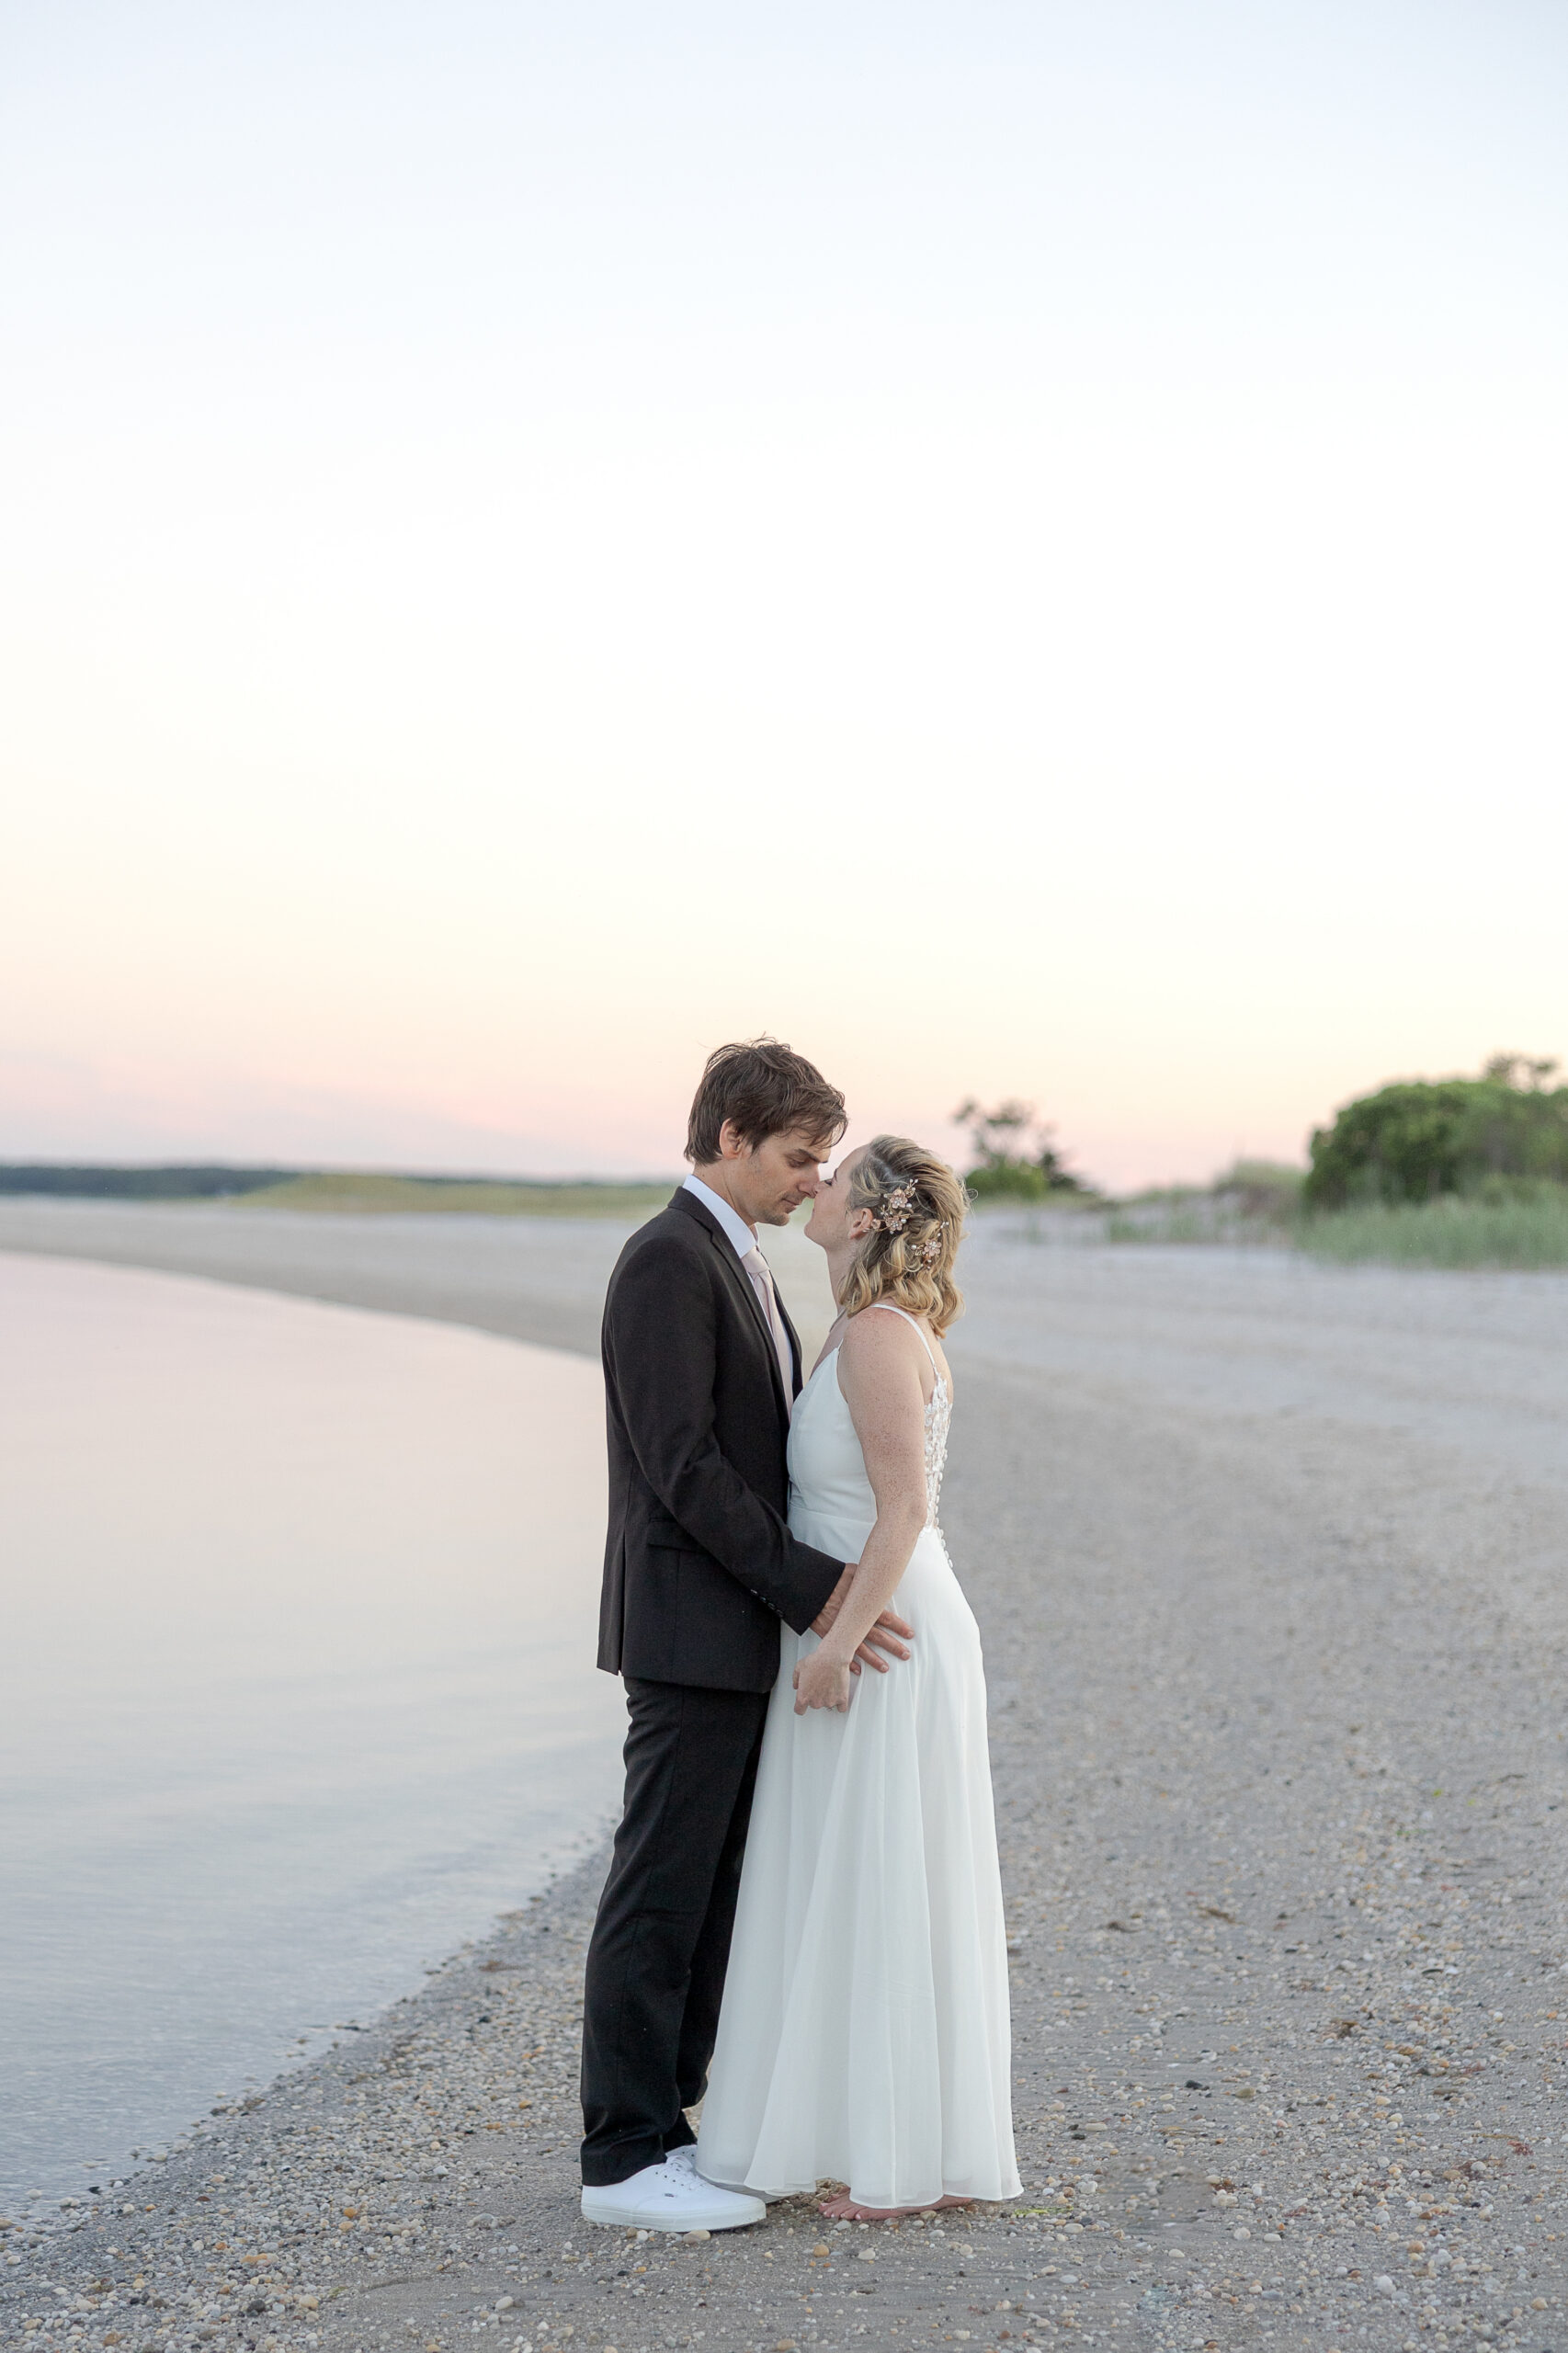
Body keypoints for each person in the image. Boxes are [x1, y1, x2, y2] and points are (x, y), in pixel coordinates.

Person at [579, 1042, 915, 2233]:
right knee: (660, 1895)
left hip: (731, 1631)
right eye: (793, 1157)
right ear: (729, 1134)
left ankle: (670, 2127)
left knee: (712, 1897)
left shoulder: (748, 1265)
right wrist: (819, 1593)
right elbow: (683, 1470)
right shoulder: (667, 1261)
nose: (805, 1180)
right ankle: (619, 2160)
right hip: (686, 1628)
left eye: (820, 1161)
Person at [696, 1135, 1020, 2217]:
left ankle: (895, 2168)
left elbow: (905, 1510)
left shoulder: (880, 1336)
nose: (815, 1189)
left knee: (880, 1875)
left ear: (870, 1217)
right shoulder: (851, 1327)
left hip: (883, 1635)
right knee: (856, 1874)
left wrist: (835, 1644)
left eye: (834, 1180)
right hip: (862, 1619)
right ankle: (877, 2137)